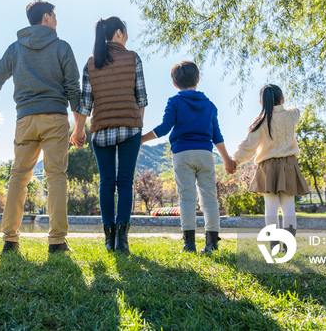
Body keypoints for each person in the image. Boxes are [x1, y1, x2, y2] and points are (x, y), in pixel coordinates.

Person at [0, 0, 81, 254]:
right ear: (47, 17)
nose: (57, 20)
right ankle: (57, 241)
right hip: (54, 118)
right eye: (55, 15)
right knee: (56, 177)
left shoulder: (15, 49)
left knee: (18, 177)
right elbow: (74, 89)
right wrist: (79, 126)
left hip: (25, 120)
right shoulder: (61, 47)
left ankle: (10, 240)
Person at [71, 17, 147, 255]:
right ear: (118, 33)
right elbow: (141, 99)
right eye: (125, 31)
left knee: (106, 183)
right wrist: (137, 124)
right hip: (130, 128)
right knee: (125, 182)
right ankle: (122, 239)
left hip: (101, 129)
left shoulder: (91, 63)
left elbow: (85, 103)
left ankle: (108, 237)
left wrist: (78, 131)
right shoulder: (133, 57)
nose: (126, 36)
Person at [141, 61, 235, 253]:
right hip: (205, 154)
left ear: (175, 84)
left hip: (182, 153)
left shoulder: (174, 101)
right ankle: (212, 244)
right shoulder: (210, 105)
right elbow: (217, 135)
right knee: (209, 198)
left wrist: (142, 139)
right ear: (198, 79)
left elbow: (165, 128)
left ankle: (189, 244)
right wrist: (227, 159)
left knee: (187, 198)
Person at [231, 84, 310, 252]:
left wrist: (235, 161)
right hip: (289, 165)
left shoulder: (260, 123)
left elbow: (248, 147)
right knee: (289, 207)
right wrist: (284, 105)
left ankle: (274, 244)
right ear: (282, 100)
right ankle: (288, 246)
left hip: (267, 167)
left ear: (261, 102)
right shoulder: (291, 116)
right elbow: (296, 109)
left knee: (271, 208)